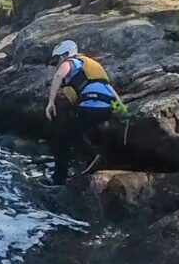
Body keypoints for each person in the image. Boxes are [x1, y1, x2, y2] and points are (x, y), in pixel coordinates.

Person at [44, 40, 126, 185]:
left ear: (65, 54)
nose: (57, 64)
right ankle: (92, 158)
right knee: (78, 129)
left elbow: (58, 76)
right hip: (107, 108)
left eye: (57, 59)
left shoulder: (69, 62)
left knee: (61, 139)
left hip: (92, 105)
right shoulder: (90, 65)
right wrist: (121, 108)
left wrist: (50, 102)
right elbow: (108, 87)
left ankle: (59, 179)